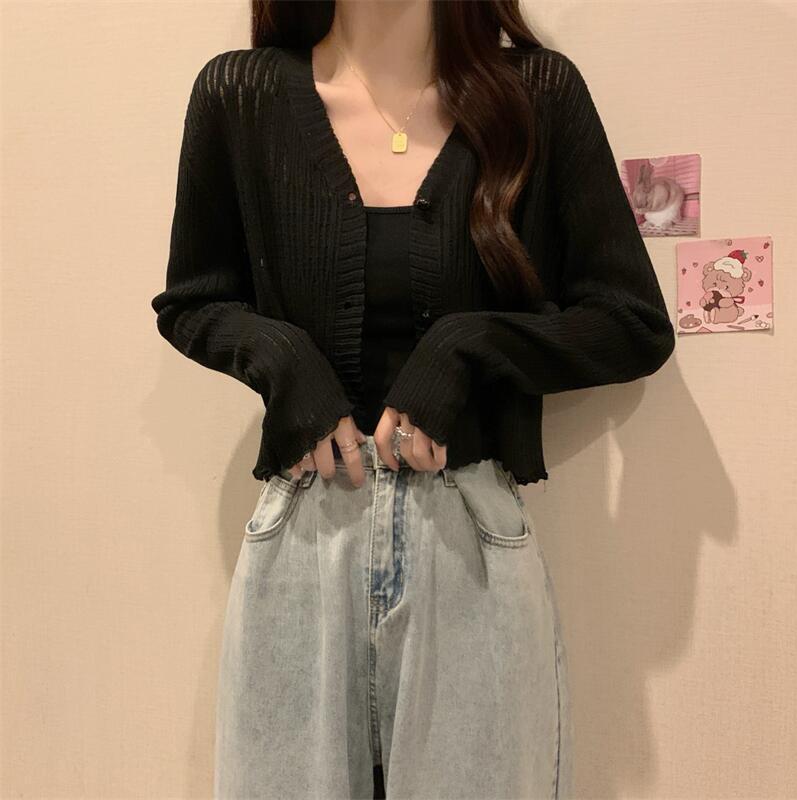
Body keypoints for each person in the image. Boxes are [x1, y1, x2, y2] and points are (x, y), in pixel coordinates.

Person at [150, 1, 675, 798]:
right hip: (304, 537)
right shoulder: (241, 95)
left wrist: (468, 348)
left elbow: (631, 325)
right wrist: (283, 358)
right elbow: (193, 301)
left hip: (470, 541)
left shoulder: (536, 95)